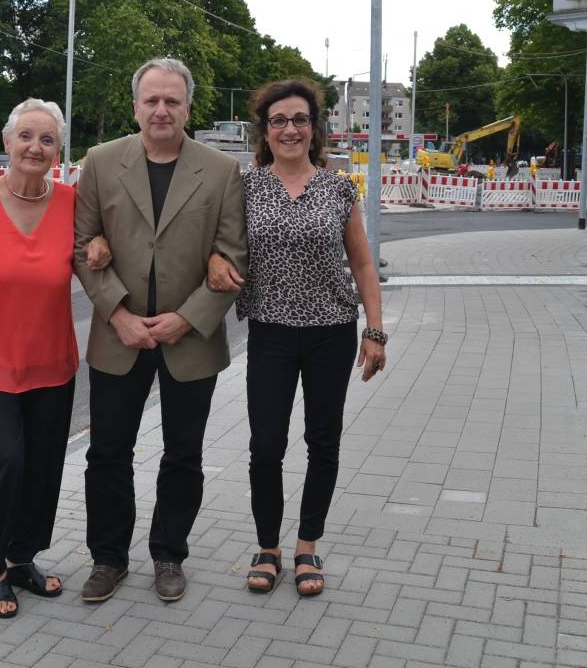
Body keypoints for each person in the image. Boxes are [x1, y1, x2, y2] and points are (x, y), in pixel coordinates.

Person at [73, 57, 247, 604]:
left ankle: (169, 554)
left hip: (190, 339)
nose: (161, 110)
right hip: (118, 336)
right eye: (152, 100)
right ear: (135, 107)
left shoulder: (221, 171)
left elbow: (233, 256)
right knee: (107, 454)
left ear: (188, 108)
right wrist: (119, 316)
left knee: (183, 455)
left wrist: (186, 318)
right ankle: (108, 558)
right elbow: (81, 246)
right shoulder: (101, 163)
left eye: (172, 100)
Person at [207, 78, 387, 598]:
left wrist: (374, 331)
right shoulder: (244, 187)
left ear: (314, 128)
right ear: (265, 131)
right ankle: (268, 547)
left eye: (300, 120)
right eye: (279, 121)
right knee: (265, 445)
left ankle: (308, 545)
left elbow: (362, 264)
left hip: (332, 333)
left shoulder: (338, 189)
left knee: (322, 442)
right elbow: (217, 244)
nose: (290, 129)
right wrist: (214, 258)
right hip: (270, 332)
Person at [0, 98, 110, 618]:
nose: (36, 147)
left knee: (42, 468)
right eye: (27, 136)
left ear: (59, 151)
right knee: (5, 461)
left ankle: (21, 558)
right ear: (7, 142)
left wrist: (99, 242)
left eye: (47, 140)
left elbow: (94, 249)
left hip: (52, 364)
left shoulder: (71, 204)